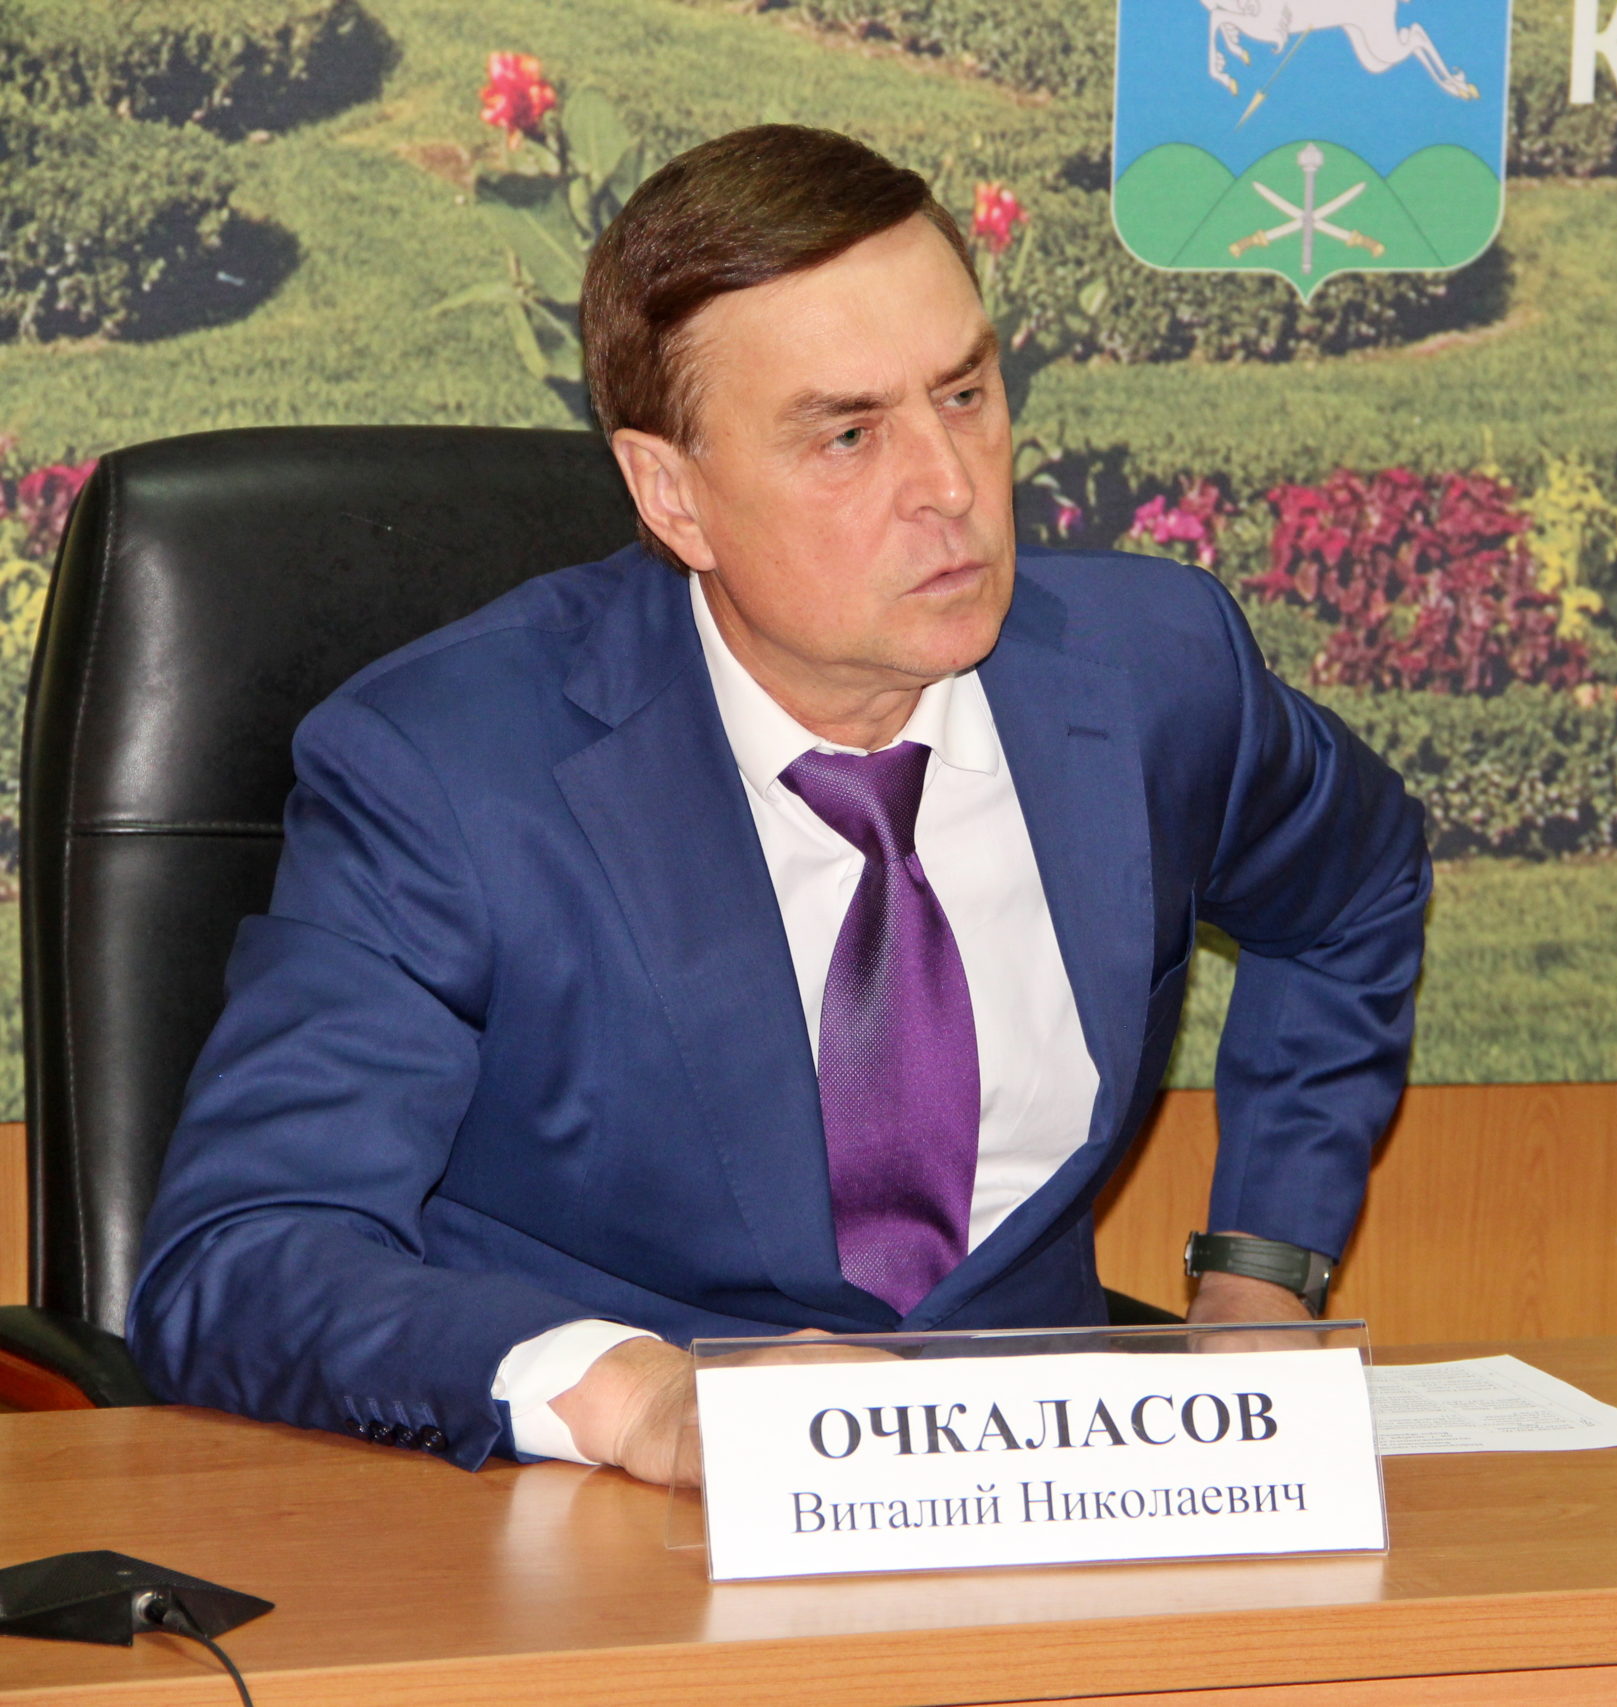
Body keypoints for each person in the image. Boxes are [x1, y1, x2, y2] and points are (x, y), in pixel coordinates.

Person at [125, 127, 1429, 1485]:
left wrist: (1264, 1271)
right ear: (673, 495)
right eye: (848, 435)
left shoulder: (1154, 676)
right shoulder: (449, 773)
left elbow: (1357, 890)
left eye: (966, 394)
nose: (950, 489)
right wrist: (642, 1401)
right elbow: (243, 1257)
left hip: (1042, 1499)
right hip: (604, 1527)